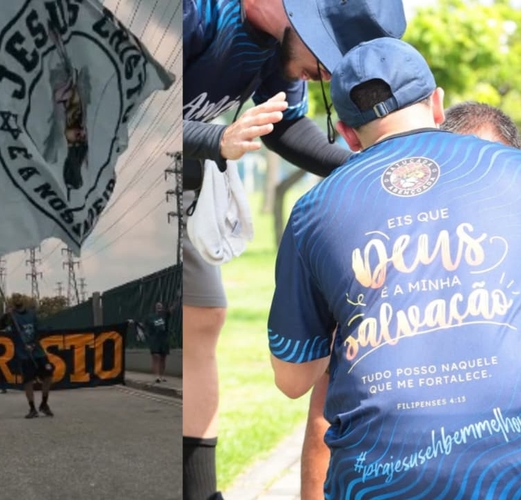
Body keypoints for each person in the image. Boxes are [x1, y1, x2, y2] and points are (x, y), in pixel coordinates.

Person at [268, 37, 521, 498]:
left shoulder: (312, 210)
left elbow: (292, 380)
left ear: (346, 132)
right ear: (438, 104)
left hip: (382, 484)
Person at [182, 2, 407, 498]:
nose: (327, 73)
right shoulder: (194, 14)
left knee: (203, 318)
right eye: (327, 54)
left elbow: (284, 125)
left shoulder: (279, 43)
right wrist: (214, 137)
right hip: (99, 183)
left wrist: (367, 167)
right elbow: (106, 114)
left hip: (170, 178)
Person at [2, 297, 54, 419]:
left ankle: (44, 403)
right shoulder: (12, 317)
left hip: (38, 352)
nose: (18, 301)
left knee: (48, 375)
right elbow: (0, 326)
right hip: (23, 354)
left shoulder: (32, 314)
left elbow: (38, 330)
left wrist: (33, 344)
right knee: (28, 381)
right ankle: (32, 408)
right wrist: (6, 315)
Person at [146, 302, 172, 383]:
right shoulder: (151, 317)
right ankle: (157, 376)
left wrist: (178, 299)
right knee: (156, 357)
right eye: (157, 306)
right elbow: (145, 327)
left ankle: (161, 376)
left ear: (162, 308)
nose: (159, 307)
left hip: (164, 339)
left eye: (160, 306)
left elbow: (172, 309)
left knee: (163, 358)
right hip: (154, 340)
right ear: (155, 308)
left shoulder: (165, 316)